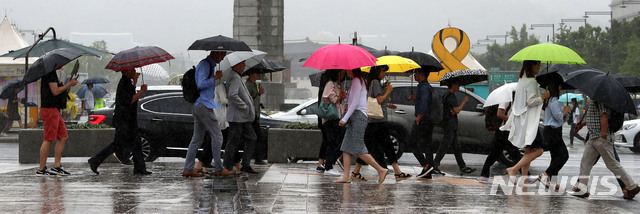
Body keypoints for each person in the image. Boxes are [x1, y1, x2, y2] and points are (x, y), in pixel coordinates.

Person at [352, 65, 412, 181]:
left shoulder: (372, 83)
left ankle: (356, 171)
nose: (384, 74)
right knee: (386, 145)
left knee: (372, 145)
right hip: (377, 121)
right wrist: (388, 91)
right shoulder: (375, 83)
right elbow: (379, 100)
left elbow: (374, 100)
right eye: (383, 71)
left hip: (373, 121)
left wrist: (387, 102)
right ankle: (397, 172)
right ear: (377, 71)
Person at [87, 68, 151, 176]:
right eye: (132, 71)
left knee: (136, 143)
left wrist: (135, 82)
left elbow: (131, 93)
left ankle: (139, 168)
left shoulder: (127, 83)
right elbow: (130, 100)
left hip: (129, 119)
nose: (135, 72)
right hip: (124, 120)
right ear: (126, 72)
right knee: (118, 144)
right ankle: (95, 160)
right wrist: (142, 91)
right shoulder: (124, 83)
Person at [572, 100, 640, 199]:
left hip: (601, 137)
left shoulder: (601, 99)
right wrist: (582, 124)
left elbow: (604, 115)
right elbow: (595, 117)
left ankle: (632, 186)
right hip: (593, 137)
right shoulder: (594, 99)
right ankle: (582, 189)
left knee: (612, 164)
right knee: (585, 162)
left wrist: (603, 134)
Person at [333, 68, 388, 184]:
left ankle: (381, 169)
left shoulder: (358, 80)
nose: (345, 70)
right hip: (356, 116)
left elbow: (355, 102)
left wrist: (344, 118)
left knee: (358, 149)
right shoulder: (356, 81)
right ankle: (346, 176)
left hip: (358, 116)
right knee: (346, 147)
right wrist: (345, 96)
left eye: (347, 68)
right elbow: (352, 100)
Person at [180, 51, 230, 177]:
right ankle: (218, 168)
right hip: (203, 105)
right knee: (218, 136)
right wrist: (214, 78)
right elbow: (201, 84)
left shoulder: (209, 66)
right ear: (216, 53)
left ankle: (188, 168)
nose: (223, 57)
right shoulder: (205, 65)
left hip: (200, 105)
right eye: (222, 54)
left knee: (197, 139)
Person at [501, 60, 550, 183]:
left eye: (539, 65)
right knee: (539, 150)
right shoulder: (532, 81)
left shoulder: (522, 80)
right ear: (530, 66)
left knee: (528, 151)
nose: (538, 67)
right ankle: (513, 169)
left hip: (522, 119)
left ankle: (523, 179)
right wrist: (544, 97)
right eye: (536, 65)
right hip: (529, 122)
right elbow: (531, 101)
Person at [36, 69, 78, 176]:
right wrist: (69, 84)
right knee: (48, 139)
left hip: (54, 109)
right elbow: (55, 91)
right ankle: (41, 169)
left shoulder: (52, 73)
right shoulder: (50, 73)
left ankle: (56, 166)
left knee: (63, 136)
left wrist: (64, 85)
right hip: (49, 109)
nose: (62, 65)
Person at [433, 80, 476, 175]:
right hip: (450, 125)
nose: (459, 86)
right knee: (444, 146)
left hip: (450, 124)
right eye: (457, 84)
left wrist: (454, 110)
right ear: (452, 84)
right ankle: (435, 164)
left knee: (456, 147)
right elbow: (456, 110)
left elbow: (453, 110)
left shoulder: (447, 95)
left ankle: (462, 166)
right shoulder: (450, 96)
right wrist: (464, 102)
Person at [224, 60, 258, 174]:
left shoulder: (237, 76)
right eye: (242, 63)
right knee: (233, 142)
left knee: (251, 137)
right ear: (236, 64)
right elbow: (232, 95)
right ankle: (227, 167)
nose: (244, 66)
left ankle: (245, 164)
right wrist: (244, 105)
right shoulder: (234, 77)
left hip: (243, 117)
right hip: (237, 117)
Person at [477, 99, 521, 183]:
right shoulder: (505, 100)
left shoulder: (514, 101)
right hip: (504, 131)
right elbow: (499, 114)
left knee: (495, 153)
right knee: (514, 154)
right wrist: (512, 120)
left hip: (506, 131)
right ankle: (526, 176)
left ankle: (484, 175)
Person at [536, 83, 571, 189]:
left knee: (555, 156)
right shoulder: (554, 101)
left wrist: (563, 115)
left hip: (551, 130)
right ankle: (545, 174)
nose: (561, 87)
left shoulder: (549, 101)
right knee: (564, 156)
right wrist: (565, 111)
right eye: (559, 86)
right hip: (554, 132)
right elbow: (559, 117)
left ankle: (553, 182)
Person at [316, 69, 347, 176]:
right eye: (342, 73)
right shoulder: (330, 84)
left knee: (341, 140)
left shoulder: (337, 85)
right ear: (337, 73)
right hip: (330, 118)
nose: (343, 75)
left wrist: (342, 96)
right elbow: (330, 99)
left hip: (337, 117)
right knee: (333, 141)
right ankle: (329, 166)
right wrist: (340, 96)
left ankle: (330, 163)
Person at [409, 69, 436, 178]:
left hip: (423, 119)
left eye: (416, 73)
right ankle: (428, 171)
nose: (414, 75)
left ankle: (426, 166)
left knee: (412, 143)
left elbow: (424, 104)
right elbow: (423, 102)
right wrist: (414, 100)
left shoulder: (424, 87)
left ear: (422, 74)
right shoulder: (425, 86)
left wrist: (419, 117)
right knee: (427, 145)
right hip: (428, 120)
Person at [246, 70, 268, 165]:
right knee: (257, 137)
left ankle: (256, 158)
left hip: (255, 114)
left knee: (256, 137)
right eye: (256, 73)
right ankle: (257, 158)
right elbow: (248, 98)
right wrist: (257, 94)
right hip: (251, 115)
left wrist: (259, 93)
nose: (258, 74)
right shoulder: (248, 84)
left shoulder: (254, 84)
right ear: (251, 74)